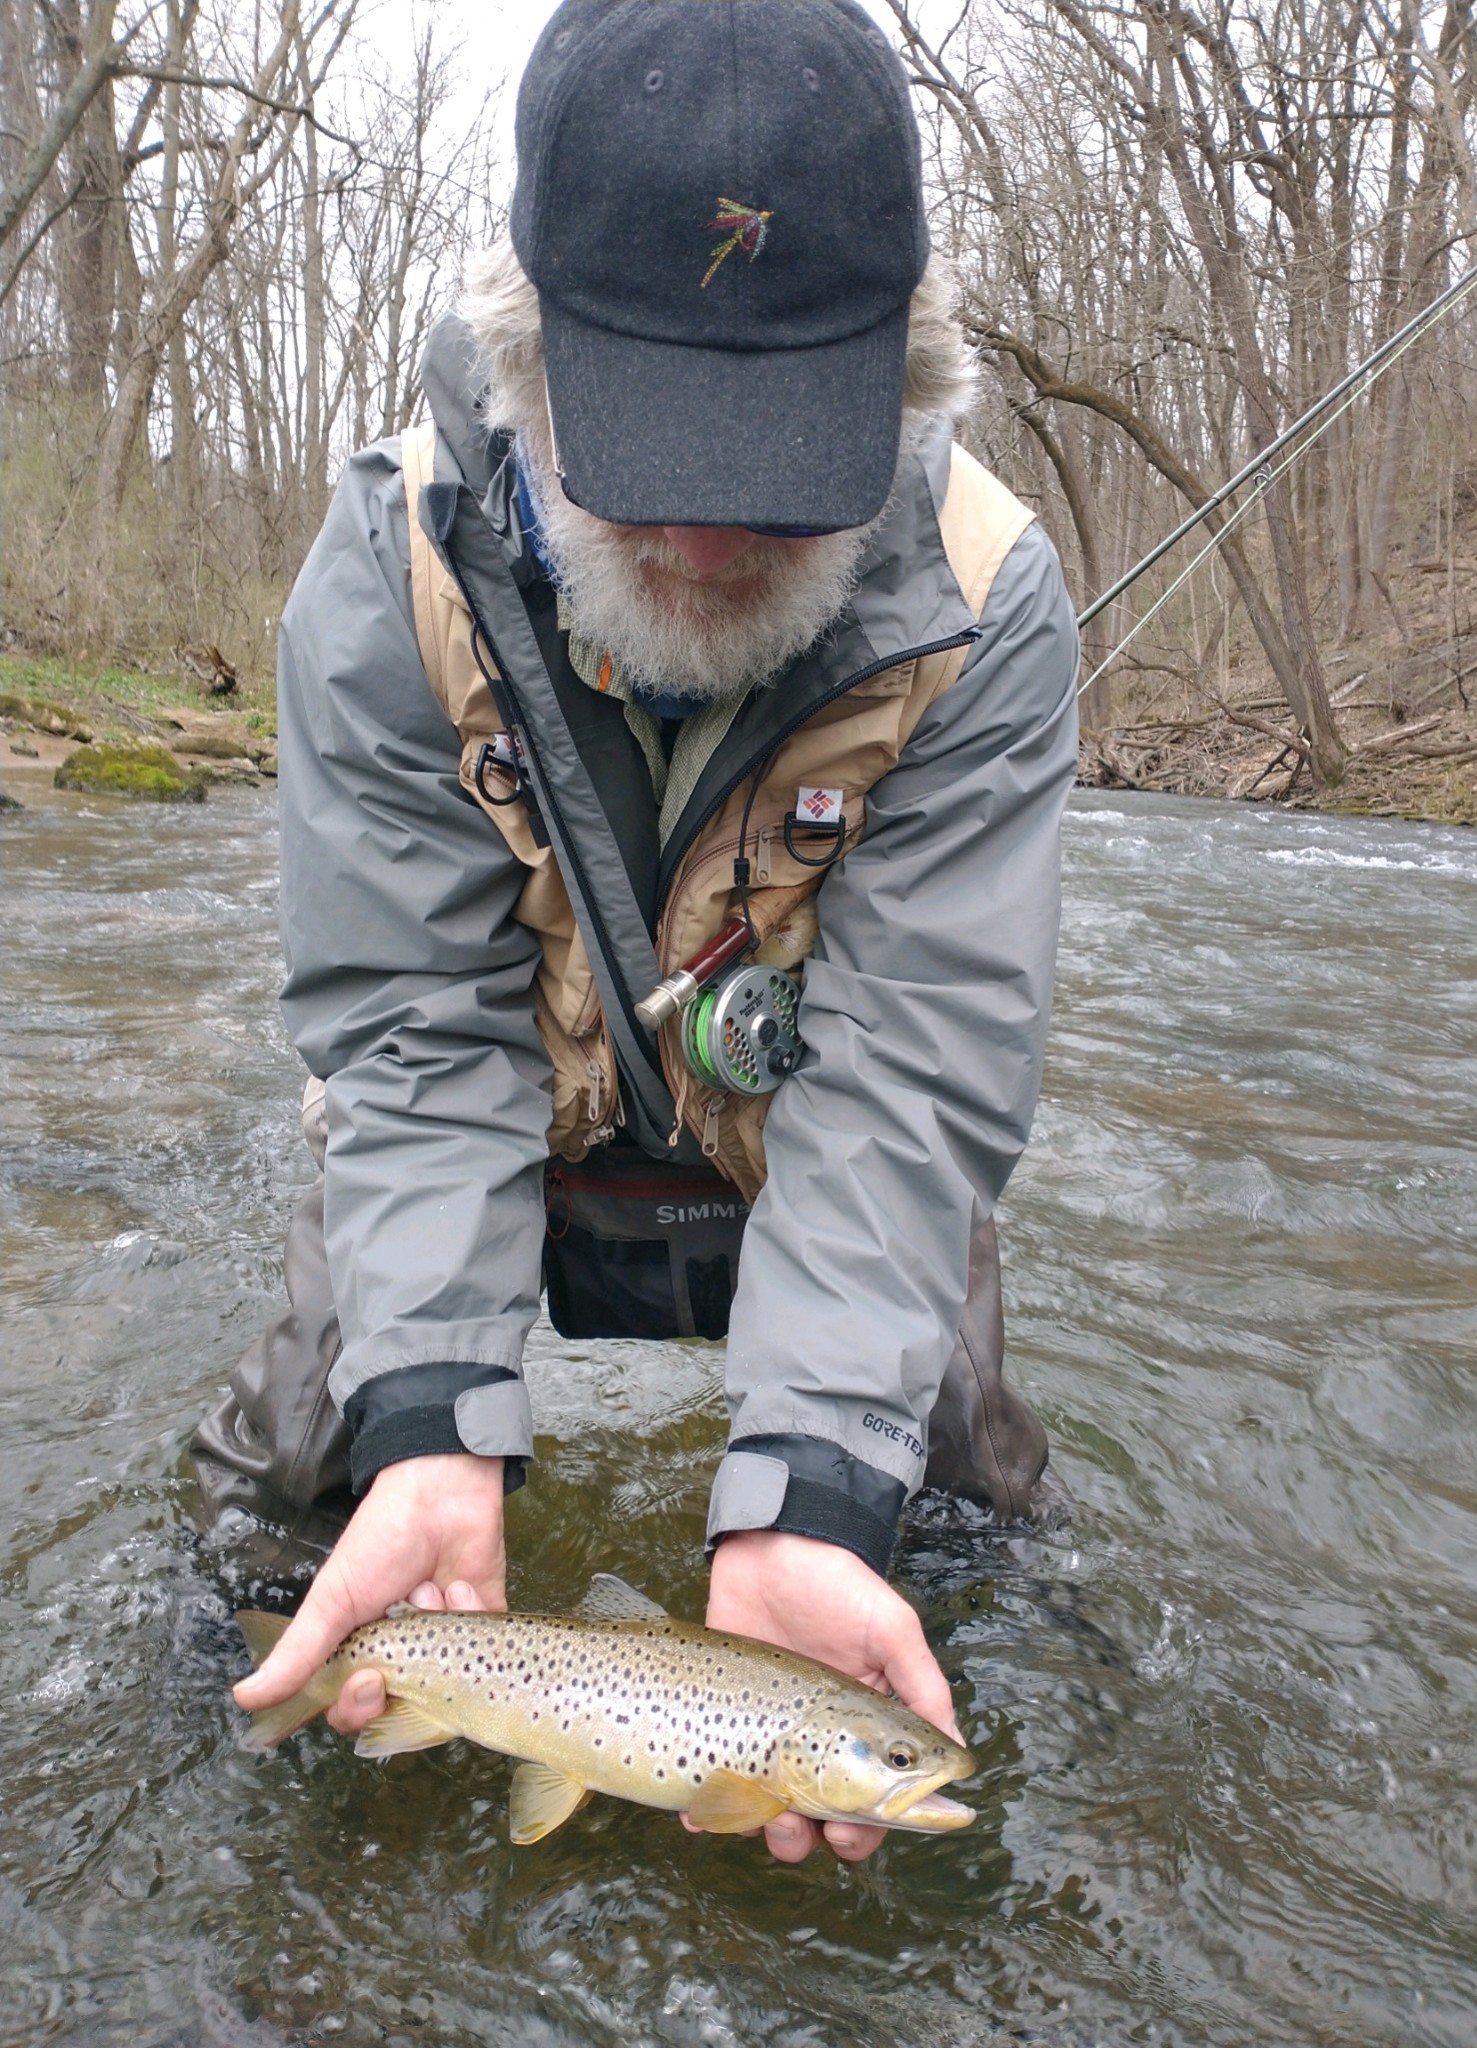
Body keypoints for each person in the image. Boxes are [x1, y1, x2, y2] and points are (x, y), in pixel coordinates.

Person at [194, 0, 1080, 1867]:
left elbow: (919, 1088)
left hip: (813, 1134)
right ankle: (232, 1760)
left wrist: (813, 1496)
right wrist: (434, 1407)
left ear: (903, 389)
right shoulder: (393, 565)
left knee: (958, 1498)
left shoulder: (989, 604)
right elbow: (410, 1034)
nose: (702, 535)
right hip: (493, 1111)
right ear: (529, 366)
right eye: (652, 448)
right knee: (297, 1469)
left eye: (779, 466)